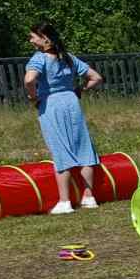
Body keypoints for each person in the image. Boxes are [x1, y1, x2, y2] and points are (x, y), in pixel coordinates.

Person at [24, 22, 104, 214]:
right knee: (83, 147)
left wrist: (33, 96)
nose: (31, 40)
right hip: (72, 102)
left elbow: (29, 80)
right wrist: (80, 89)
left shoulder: (39, 58)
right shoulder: (68, 58)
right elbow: (96, 78)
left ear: (45, 38)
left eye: (33, 36)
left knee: (61, 149)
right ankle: (88, 197)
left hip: (51, 105)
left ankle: (64, 201)